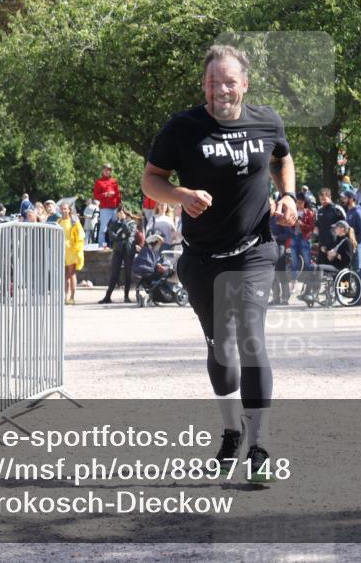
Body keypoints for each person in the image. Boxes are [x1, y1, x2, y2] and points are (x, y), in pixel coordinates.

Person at [141, 44, 297, 480]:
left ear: (244, 84)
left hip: (253, 251)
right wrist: (181, 196)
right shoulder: (183, 129)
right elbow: (151, 179)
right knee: (220, 347)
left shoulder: (267, 121)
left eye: (229, 82)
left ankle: (260, 447)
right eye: (213, 83)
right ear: (203, 86)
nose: (220, 90)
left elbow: (283, 158)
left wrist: (286, 195)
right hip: (202, 258)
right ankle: (232, 431)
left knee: (250, 338)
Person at [299, 220, 354, 300]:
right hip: (334, 265)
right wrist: (326, 250)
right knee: (312, 266)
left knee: (319, 268)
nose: (334, 229)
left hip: (341, 267)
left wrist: (336, 254)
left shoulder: (347, 242)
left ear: (342, 229)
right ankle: (307, 293)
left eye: (336, 227)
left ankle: (315, 293)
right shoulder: (337, 240)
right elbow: (330, 253)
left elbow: (348, 260)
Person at [98, 205, 137, 304]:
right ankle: (107, 297)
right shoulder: (114, 223)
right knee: (114, 273)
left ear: (126, 213)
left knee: (128, 273)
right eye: (118, 212)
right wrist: (122, 236)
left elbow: (129, 232)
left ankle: (126, 296)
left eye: (121, 212)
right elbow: (112, 236)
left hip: (128, 250)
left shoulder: (132, 223)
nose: (119, 214)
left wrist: (124, 222)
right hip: (118, 250)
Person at [339, 189, 361, 300]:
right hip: (350, 244)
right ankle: (347, 292)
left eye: (345, 198)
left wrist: (356, 243)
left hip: (358, 245)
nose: (343, 200)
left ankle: (360, 296)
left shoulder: (358, 212)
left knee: (358, 269)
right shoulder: (349, 211)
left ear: (351, 199)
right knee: (348, 268)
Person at [58, 202, 85, 304]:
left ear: (69, 210)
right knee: (65, 275)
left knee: (72, 273)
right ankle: (66, 296)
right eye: (62, 209)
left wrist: (77, 249)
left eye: (65, 209)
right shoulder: (59, 221)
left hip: (71, 251)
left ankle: (72, 297)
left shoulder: (74, 221)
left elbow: (80, 235)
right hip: (61, 250)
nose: (64, 211)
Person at [268, 197, 292, 306]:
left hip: (280, 247)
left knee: (281, 273)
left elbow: (288, 233)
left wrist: (277, 237)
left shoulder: (280, 217)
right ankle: (275, 298)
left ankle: (285, 298)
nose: (268, 208)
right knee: (272, 275)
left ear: (275, 205)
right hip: (269, 248)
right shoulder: (264, 219)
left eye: (270, 205)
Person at [94, 164, 122, 247]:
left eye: (109, 170)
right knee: (103, 229)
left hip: (115, 208)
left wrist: (119, 205)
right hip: (105, 209)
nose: (108, 171)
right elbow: (96, 196)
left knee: (115, 228)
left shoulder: (114, 181)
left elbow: (118, 194)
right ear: (102, 171)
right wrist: (106, 194)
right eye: (106, 170)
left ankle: (115, 246)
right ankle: (101, 247)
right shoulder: (99, 182)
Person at [291, 194, 315, 279]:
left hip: (305, 238)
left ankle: (309, 281)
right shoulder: (293, 212)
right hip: (294, 237)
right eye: (297, 202)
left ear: (304, 202)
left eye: (300, 202)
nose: (299, 204)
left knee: (307, 260)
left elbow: (311, 227)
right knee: (294, 261)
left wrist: (302, 224)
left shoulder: (309, 213)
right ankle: (294, 281)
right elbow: (289, 226)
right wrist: (293, 224)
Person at [314, 188, 345, 252]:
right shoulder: (319, 211)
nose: (322, 201)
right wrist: (315, 237)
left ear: (330, 197)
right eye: (321, 200)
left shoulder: (337, 209)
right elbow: (317, 225)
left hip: (335, 245)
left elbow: (345, 226)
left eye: (324, 199)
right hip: (322, 245)